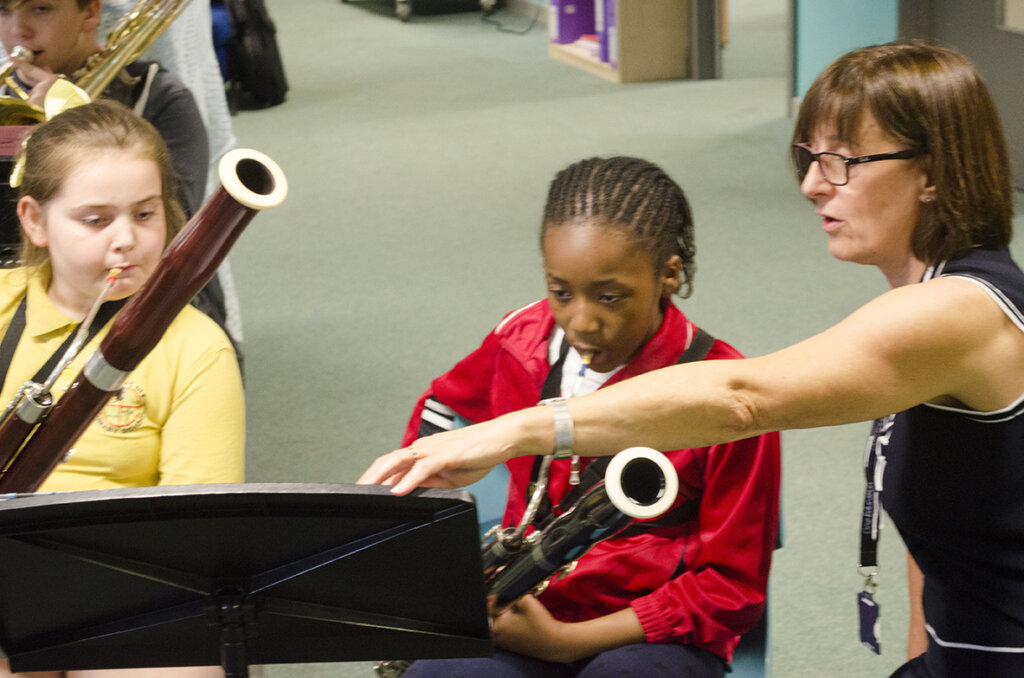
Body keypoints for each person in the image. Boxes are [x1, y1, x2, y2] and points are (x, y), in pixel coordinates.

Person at [360, 41, 1024, 678]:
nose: (813, 186)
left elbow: (742, 398)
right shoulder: (937, 304)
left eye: (843, 161)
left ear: (932, 172)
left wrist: (517, 428)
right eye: (809, 158)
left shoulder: (958, 312)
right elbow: (945, 545)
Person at [393, 156, 781, 678]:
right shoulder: (521, 340)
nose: (581, 322)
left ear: (669, 273)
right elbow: (443, 406)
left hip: (651, 632)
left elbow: (731, 587)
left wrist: (568, 643)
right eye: (560, 292)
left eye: (610, 297)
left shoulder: (730, 397)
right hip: (526, 609)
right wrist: (428, 516)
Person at [0, 99, 242, 677]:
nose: (126, 240)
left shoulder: (197, 348)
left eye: (144, 214)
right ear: (34, 219)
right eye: (95, 219)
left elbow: (196, 540)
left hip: (132, 592)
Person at [0, 0, 236, 348]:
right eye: (4, 11)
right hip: (32, 305)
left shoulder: (159, 97)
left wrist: (68, 118)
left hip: (146, 312)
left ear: (91, 12)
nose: (18, 30)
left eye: (40, 9)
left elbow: (173, 227)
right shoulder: (10, 99)